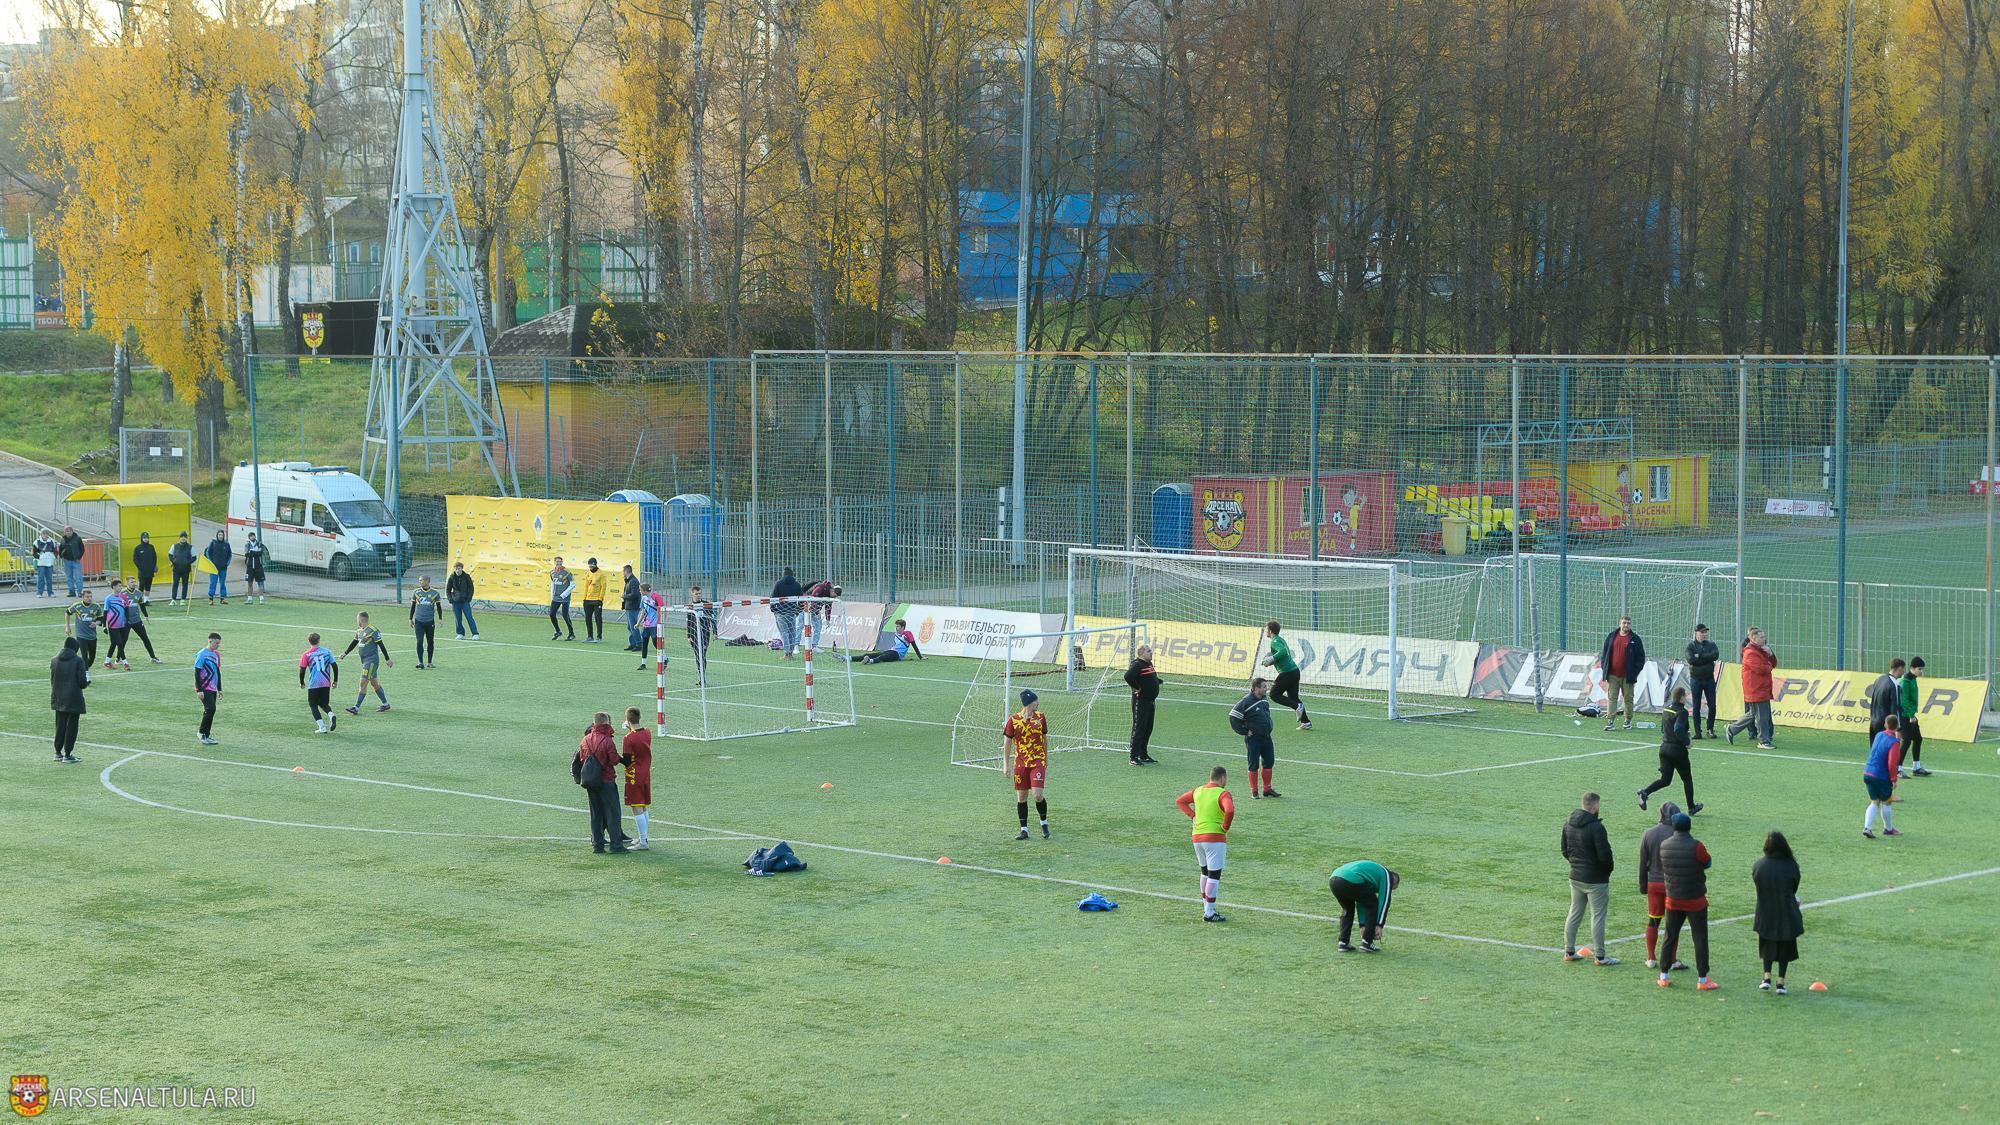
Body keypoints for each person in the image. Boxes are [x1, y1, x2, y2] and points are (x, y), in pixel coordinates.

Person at [1656, 812, 1718, 990]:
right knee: (1700, 938)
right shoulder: (1696, 846)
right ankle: (1703, 979)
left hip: (1673, 899)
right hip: (1695, 899)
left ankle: (1663, 975)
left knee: (1670, 936)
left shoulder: (1664, 845)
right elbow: (1707, 863)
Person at [1560, 792, 1620, 965]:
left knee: (1574, 912)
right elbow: (1605, 856)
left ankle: (1569, 951)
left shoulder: (1568, 824)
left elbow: (1565, 850)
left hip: (1576, 876)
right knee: (1598, 916)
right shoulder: (1596, 827)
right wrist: (1606, 871)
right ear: (1594, 807)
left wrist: (1576, 865)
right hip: (1596, 880)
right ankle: (1600, 956)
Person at [1176, 766, 1236, 922]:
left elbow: (1180, 801)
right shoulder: (1222, 793)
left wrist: (1193, 816)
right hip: (1215, 838)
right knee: (1214, 875)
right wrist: (1225, 827)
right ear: (1222, 778)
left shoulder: (1198, 791)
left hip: (1197, 837)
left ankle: (1206, 907)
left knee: (1204, 872)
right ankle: (1209, 912)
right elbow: (1229, 810)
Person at [1752, 830, 1804, 995]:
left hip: (1765, 911)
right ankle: (1780, 982)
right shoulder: (1791, 865)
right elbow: (1794, 886)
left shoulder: (1759, 865)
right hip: (1786, 911)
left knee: (1766, 942)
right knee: (1785, 946)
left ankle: (1766, 977)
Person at [1636, 799, 1685, 970]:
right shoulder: (1679, 835)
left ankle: (1651, 958)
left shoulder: (1648, 834)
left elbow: (1643, 864)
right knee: (1673, 925)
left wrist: (1643, 886)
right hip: (1673, 885)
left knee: (1653, 921)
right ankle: (1672, 960)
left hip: (1654, 884)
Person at [1639, 686, 1701, 814]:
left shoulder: (1666, 709)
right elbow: (1678, 729)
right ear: (1681, 698)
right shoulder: (1682, 712)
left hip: (1664, 748)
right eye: (1685, 696)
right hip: (1677, 750)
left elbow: (1663, 729)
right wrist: (1687, 742)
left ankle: (1645, 793)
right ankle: (1691, 807)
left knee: (1665, 780)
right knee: (1687, 779)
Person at [575, 713, 629, 854]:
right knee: (613, 813)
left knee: (596, 814)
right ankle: (616, 845)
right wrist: (624, 760)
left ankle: (597, 845)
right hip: (606, 780)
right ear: (606, 723)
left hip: (591, 781)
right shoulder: (607, 740)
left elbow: (582, 759)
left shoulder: (585, 739)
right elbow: (614, 760)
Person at [1004, 689, 1051, 840]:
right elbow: (1007, 743)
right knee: (1022, 797)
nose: (1038, 703)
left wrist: (1046, 757)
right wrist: (1006, 765)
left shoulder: (1041, 717)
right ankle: (1024, 830)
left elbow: (1044, 738)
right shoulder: (1013, 720)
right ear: (1029, 703)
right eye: (1036, 700)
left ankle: (1044, 823)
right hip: (1021, 763)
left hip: (1037, 761)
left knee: (1037, 795)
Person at [1328, 860, 1399, 952]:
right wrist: (1379, 925)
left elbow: (1361, 901)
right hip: (1350, 879)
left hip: (1334, 879)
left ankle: (1343, 942)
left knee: (1348, 910)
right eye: (1392, 888)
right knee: (1373, 904)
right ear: (1393, 882)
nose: (1389, 890)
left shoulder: (1373, 877)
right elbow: (1384, 901)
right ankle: (1367, 942)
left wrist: (1362, 925)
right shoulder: (1387, 876)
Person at [1724, 627, 1777, 749]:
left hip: (1761, 688)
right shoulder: (1750, 653)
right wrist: (1769, 664)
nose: (1764, 639)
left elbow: (1772, 664)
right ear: (1753, 638)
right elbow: (1762, 669)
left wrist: (1770, 654)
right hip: (1756, 689)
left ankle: (1732, 729)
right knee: (1762, 716)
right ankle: (1764, 741)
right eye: (1761, 637)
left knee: (1753, 714)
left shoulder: (1762, 650)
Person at [1230, 677, 1279, 799]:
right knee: (1253, 764)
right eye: (1264, 687)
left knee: (1269, 761)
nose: (1266, 689)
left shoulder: (1264, 699)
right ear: (1256, 688)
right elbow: (1233, 717)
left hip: (1266, 737)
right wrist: (1244, 731)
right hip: (1254, 739)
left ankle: (1267, 789)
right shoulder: (1246, 701)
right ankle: (1254, 792)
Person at [1261, 620, 1312, 730]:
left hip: (1287, 673)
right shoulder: (1280, 639)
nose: (1265, 631)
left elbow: (1283, 651)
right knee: (1293, 698)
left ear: (1270, 631)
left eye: (1266, 629)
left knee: (1274, 694)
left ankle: (1297, 706)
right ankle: (1306, 722)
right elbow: (1283, 656)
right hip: (1294, 671)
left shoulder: (1275, 641)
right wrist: (1271, 661)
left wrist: (1271, 658)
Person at [1598, 616, 1646, 732]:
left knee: (1628, 699)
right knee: (1612, 698)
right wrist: (1605, 668)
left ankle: (1627, 720)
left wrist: (1634, 672)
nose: (1626, 625)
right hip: (1612, 675)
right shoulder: (1611, 636)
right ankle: (1610, 721)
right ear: (1620, 623)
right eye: (1624, 623)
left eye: (1628, 623)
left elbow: (1641, 658)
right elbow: (1605, 653)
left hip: (1628, 676)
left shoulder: (1635, 639)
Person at [342, 612, 393, 715]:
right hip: (364, 661)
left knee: (363, 682)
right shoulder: (359, 630)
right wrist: (345, 653)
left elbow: (381, 645)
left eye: (357, 619)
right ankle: (385, 704)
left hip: (371, 661)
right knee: (374, 683)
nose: (356, 621)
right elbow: (354, 642)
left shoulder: (373, 630)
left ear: (361, 620)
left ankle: (356, 707)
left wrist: (387, 659)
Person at [1862, 716, 1904, 840]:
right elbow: (1892, 763)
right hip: (1881, 776)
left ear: (1885, 724)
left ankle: (1867, 828)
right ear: (1897, 727)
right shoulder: (1894, 742)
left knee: (1874, 801)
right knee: (1887, 801)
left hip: (1868, 772)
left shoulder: (1879, 735)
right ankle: (1888, 829)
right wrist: (1894, 779)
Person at [50, 636, 88, 764]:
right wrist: (86, 683)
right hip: (73, 698)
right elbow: (82, 682)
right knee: (72, 726)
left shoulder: (54, 660)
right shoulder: (78, 661)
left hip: (58, 697)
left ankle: (57, 753)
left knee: (60, 725)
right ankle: (67, 754)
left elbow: (52, 680)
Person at [620, 707, 653, 850]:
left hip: (633, 775)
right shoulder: (647, 732)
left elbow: (627, 761)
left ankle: (643, 842)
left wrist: (614, 756)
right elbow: (639, 745)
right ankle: (643, 837)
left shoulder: (628, 739)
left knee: (636, 806)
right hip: (645, 773)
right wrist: (630, 729)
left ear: (627, 720)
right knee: (643, 805)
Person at [1125, 644, 1161, 765]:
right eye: (1148, 651)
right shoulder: (1137, 664)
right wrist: (1137, 687)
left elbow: (1148, 677)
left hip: (1150, 701)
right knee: (1139, 728)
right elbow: (1128, 676)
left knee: (1147, 728)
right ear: (1141, 653)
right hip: (1141, 701)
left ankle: (1143, 754)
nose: (1151, 653)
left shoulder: (1148, 664)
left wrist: (1156, 681)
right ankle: (1133, 757)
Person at [299, 632, 340, 734]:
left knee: (313, 704)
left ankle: (322, 727)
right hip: (326, 682)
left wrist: (302, 682)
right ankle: (331, 715)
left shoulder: (306, 654)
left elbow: (302, 670)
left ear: (309, 641)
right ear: (319, 640)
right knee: (324, 704)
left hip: (314, 683)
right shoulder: (327, 652)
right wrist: (335, 680)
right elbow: (335, 666)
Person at [1684, 624, 1720, 738]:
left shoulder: (1711, 644)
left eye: (1705, 632)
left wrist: (1700, 656)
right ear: (1696, 633)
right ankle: (1697, 732)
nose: (1705, 634)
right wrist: (1706, 658)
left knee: (1712, 705)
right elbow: (1691, 660)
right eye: (1702, 632)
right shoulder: (1691, 646)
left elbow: (1715, 655)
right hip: (1696, 679)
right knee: (1696, 706)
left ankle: (1710, 729)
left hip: (1709, 679)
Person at [1865, 658, 1905, 748]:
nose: (1903, 672)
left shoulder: (1879, 679)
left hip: (1873, 721)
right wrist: (1898, 729)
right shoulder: (1894, 685)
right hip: (1885, 725)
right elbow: (1896, 708)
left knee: (1875, 752)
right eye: (1903, 669)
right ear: (1899, 668)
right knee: (1886, 752)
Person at [1901, 657, 1929, 777]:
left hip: (1911, 715)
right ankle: (1897, 768)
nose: (1921, 671)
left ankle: (1916, 767)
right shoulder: (1905, 681)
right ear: (1912, 668)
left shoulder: (1913, 679)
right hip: (1904, 715)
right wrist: (1910, 715)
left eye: (1922, 669)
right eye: (1919, 669)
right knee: (1906, 741)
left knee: (1918, 738)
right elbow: (1903, 701)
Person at [122, 580, 160, 664]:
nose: (134, 583)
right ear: (127, 583)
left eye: (134, 582)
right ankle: (119, 657)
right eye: (132, 582)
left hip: (137, 620)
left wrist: (146, 615)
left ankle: (153, 657)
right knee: (124, 639)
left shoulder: (138, 593)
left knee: (145, 638)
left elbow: (142, 604)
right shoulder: (122, 593)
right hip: (126, 621)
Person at [194, 633, 223, 745]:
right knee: (210, 708)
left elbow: (217, 671)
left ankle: (206, 734)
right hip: (204, 687)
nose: (218, 645)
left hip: (212, 688)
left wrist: (219, 688)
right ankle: (201, 733)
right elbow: (197, 672)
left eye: (219, 643)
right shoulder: (202, 654)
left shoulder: (216, 654)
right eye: (216, 643)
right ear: (210, 641)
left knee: (211, 710)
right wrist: (199, 690)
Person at [408, 575, 443, 668]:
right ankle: (420, 662)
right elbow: (413, 606)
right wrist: (410, 618)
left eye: (421, 581)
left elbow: (439, 607)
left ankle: (430, 662)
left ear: (427, 581)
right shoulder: (416, 592)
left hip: (430, 621)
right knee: (419, 641)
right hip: (419, 621)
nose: (420, 582)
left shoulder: (435, 593)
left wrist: (440, 619)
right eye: (419, 581)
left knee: (430, 641)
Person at [686, 585, 717, 684]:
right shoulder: (690, 606)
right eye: (696, 594)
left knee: (702, 655)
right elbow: (689, 622)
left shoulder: (706, 604)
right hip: (694, 634)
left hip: (704, 633)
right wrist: (689, 636)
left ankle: (702, 678)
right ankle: (701, 678)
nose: (698, 595)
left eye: (699, 593)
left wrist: (715, 632)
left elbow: (712, 619)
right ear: (692, 594)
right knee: (697, 656)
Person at [101, 581, 136, 670]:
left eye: (121, 586)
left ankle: (107, 662)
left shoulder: (124, 597)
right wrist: (104, 626)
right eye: (119, 586)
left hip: (122, 625)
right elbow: (105, 612)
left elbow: (126, 610)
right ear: (114, 587)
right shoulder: (108, 599)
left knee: (114, 643)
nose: (121, 587)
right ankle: (125, 663)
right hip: (112, 625)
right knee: (120, 643)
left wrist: (127, 621)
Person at [772, 567, 805, 657]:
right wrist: (798, 610)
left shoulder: (778, 584)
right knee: (792, 633)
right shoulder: (797, 585)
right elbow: (801, 599)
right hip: (792, 612)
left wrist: (774, 610)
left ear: (783, 574)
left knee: (784, 633)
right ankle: (790, 652)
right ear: (792, 575)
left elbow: (773, 598)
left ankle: (786, 653)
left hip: (780, 613)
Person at [858, 618, 923, 664]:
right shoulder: (896, 634)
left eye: (898, 626)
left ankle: (870, 661)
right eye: (896, 626)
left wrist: (920, 657)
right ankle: (852, 658)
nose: (896, 628)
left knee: (883, 657)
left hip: (898, 655)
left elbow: (914, 645)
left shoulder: (908, 633)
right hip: (891, 650)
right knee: (874, 654)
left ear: (902, 627)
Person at [802, 579, 841, 650]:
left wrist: (828, 620)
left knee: (818, 626)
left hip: (815, 611)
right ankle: (795, 646)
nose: (834, 597)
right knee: (800, 625)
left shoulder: (830, 596)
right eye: (835, 595)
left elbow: (828, 608)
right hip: (805, 606)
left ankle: (814, 646)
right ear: (832, 591)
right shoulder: (820, 587)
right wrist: (816, 612)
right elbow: (812, 599)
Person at [65, 588, 101, 668]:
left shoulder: (96, 606)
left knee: (92, 658)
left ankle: (80, 669)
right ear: (83, 597)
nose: (89, 598)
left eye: (90, 596)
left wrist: (96, 623)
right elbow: (67, 613)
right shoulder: (77, 606)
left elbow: (101, 619)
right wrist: (67, 627)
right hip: (81, 635)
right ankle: (86, 673)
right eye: (87, 597)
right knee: (84, 655)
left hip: (92, 636)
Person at [446, 562, 479, 640]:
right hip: (455, 602)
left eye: (459, 568)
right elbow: (448, 590)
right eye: (456, 569)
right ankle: (460, 633)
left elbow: (471, 588)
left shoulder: (466, 577)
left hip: (465, 602)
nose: (457, 570)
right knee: (458, 619)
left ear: (462, 569)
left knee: (469, 617)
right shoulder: (451, 577)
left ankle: (475, 634)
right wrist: (450, 599)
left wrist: (469, 598)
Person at [635, 582, 664, 670]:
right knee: (644, 644)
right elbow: (643, 611)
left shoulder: (655, 596)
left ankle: (665, 658)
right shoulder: (643, 598)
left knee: (656, 642)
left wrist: (661, 622)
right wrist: (638, 623)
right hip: (646, 625)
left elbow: (662, 609)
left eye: (640, 590)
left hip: (655, 624)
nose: (639, 591)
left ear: (644, 590)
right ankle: (643, 664)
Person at [548, 556, 576, 640]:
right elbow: (552, 583)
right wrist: (552, 594)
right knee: (552, 614)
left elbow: (573, 584)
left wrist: (564, 594)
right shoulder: (552, 572)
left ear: (562, 562)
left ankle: (571, 633)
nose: (559, 563)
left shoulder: (567, 572)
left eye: (560, 561)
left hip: (565, 598)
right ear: (554, 562)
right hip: (556, 597)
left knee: (565, 615)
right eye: (557, 561)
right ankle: (558, 631)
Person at [579, 558, 607, 643]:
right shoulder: (588, 573)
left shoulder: (601, 574)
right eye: (589, 565)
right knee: (588, 618)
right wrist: (584, 598)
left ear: (595, 564)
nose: (590, 566)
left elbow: (603, 587)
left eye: (592, 564)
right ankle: (590, 636)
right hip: (588, 600)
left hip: (597, 600)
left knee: (598, 618)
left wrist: (600, 599)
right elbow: (586, 586)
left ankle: (599, 637)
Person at [203, 529, 232, 604]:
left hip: (223, 568)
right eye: (219, 535)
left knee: (222, 583)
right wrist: (211, 563)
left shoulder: (226, 544)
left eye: (222, 535)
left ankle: (222, 598)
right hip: (213, 568)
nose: (220, 536)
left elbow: (230, 555)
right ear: (217, 535)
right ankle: (211, 599)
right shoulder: (213, 543)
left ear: (223, 536)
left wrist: (227, 563)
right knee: (213, 583)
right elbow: (208, 553)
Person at [131, 531, 158, 605]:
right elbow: (135, 559)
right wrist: (140, 567)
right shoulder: (138, 548)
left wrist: (154, 566)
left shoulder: (151, 547)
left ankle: (146, 600)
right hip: (142, 571)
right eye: (144, 538)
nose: (146, 539)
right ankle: (140, 600)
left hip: (150, 571)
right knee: (141, 586)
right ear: (141, 538)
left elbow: (154, 557)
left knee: (148, 586)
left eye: (147, 538)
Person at [241, 531, 268, 603]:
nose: (252, 537)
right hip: (250, 567)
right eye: (251, 536)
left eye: (253, 536)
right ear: (249, 537)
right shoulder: (247, 545)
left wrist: (252, 552)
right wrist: (255, 552)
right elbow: (246, 554)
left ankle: (261, 599)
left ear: (255, 536)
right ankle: (249, 599)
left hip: (258, 566)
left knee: (260, 582)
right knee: (249, 582)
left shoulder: (259, 544)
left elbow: (260, 553)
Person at [59, 525, 85, 598]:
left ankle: (79, 592)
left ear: (72, 531)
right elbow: (60, 549)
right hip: (67, 561)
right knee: (69, 577)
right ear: (64, 532)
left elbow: (82, 549)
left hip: (76, 561)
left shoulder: (77, 538)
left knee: (78, 577)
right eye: (66, 531)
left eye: (70, 530)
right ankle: (71, 591)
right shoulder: (63, 539)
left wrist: (79, 557)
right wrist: (61, 556)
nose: (68, 532)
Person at [620, 564, 642, 651]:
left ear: (626, 571)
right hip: (630, 607)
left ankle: (639, 644)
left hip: (633, 607)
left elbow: (634, 594)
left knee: (633, 627)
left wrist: (624, 597)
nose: (622, 573)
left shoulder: (633, 581)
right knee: (630, 627)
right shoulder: (629, 581)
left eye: (623, 571)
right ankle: (633, 643)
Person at [168, 532, 195, 604]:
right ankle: (173, 599)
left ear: (187, 538)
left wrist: (187, 562)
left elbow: (194, 557)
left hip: (186, 569)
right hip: (176, 569)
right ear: (179, 538)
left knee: (185, 584)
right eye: (182, 537)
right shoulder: (174, 546)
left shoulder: (190, 547)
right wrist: (174, 561)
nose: (183, 538)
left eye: (185, 537)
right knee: (175, 584)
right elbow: (170, 555)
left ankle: (183, 599)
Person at [32, 529, 58, 597]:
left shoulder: (52, 542)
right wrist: (40, 557)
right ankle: (39, 593)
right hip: (41, 563)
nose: (45, 535)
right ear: (41, 534)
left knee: (49, 579)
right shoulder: (36, 542)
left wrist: (53, 557)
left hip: (49, 563)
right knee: (41, 579)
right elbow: (34, 553)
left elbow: (55, 551)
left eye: (46, 533)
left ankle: (50, 593)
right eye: (44, 533)